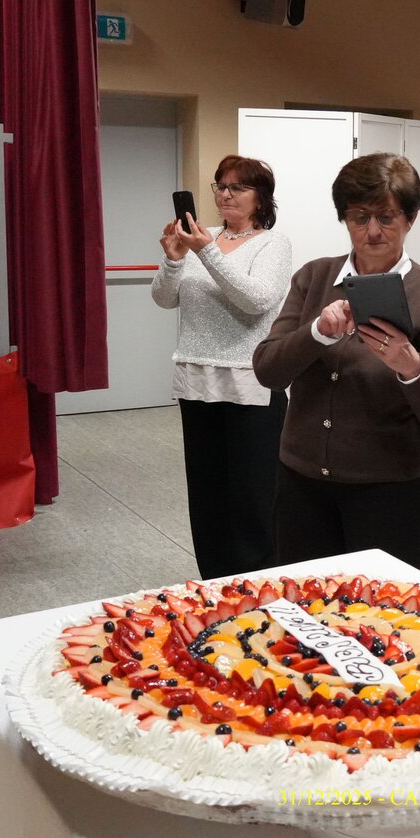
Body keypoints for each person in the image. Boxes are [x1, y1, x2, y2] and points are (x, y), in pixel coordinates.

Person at [252, 153, 420, 571]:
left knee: (383, 605)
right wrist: (316, 333)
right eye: (359, 217)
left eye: (386, 217)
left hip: (392, 489)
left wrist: (411, 367)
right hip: (303, 482)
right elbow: (268, 370)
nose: (372, 231)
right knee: (304, 601)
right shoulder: (315, 277)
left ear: (411, 218)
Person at [151, 155, 293, 579]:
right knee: (207, 493)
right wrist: (174, 259)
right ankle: (215, 582)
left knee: (253, 497)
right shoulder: (201, 238)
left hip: (250, 381)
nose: (226, 195)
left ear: (260, 198)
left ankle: (259, 583)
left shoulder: (272, 243)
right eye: (221, 186)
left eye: (238, 188)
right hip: (198, 379)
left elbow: (255, 300)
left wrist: (205, 251)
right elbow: (164, 299)